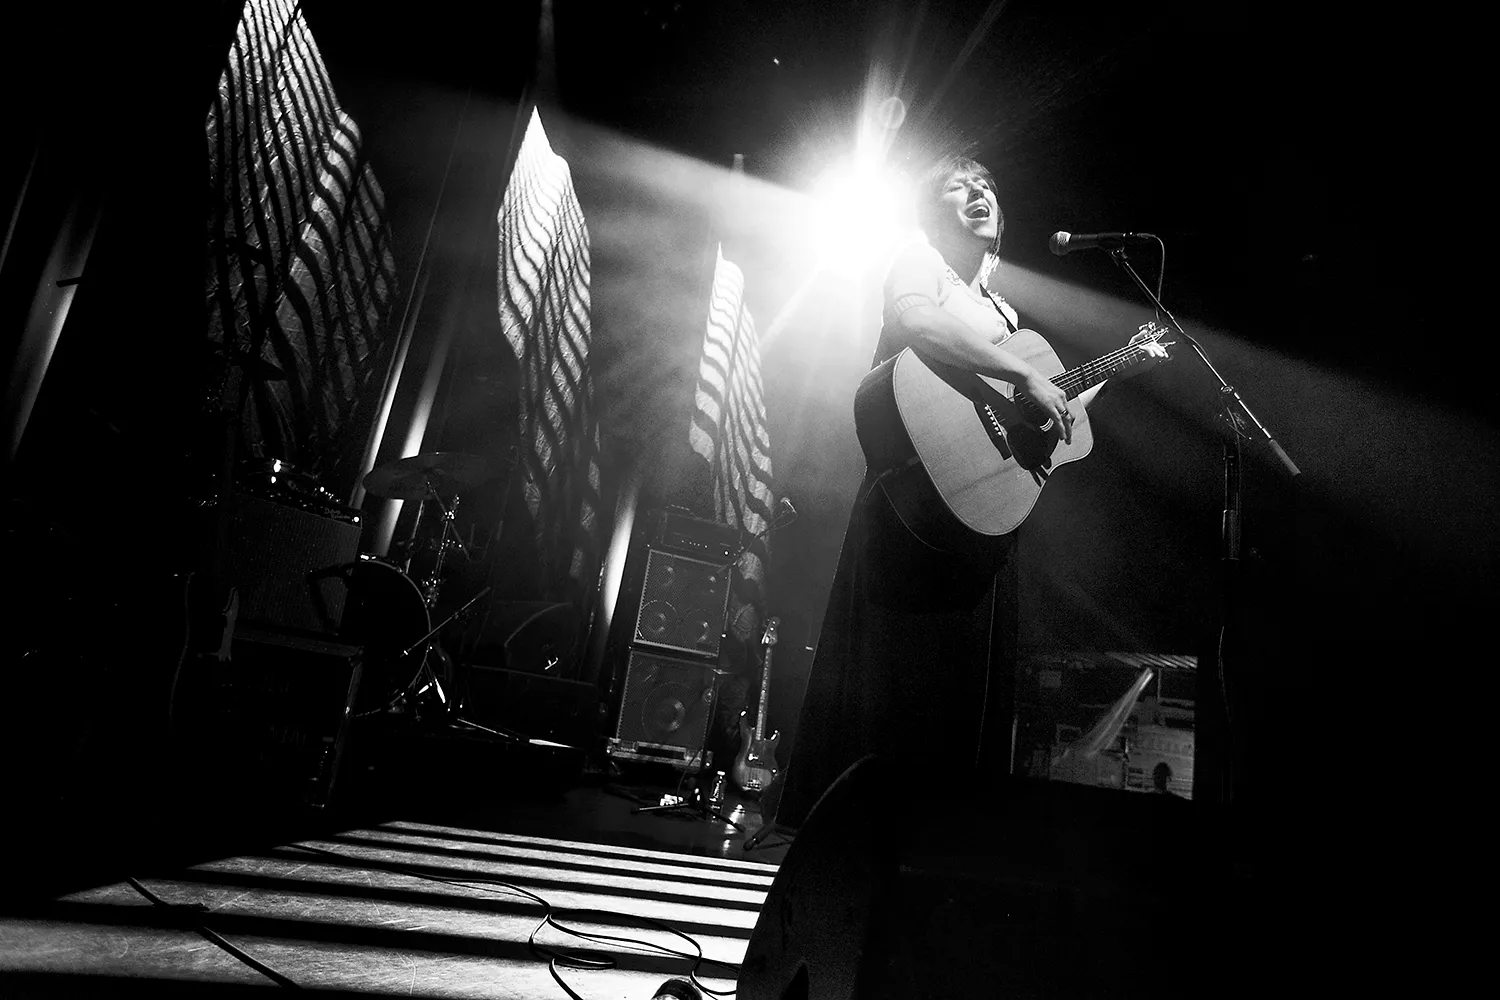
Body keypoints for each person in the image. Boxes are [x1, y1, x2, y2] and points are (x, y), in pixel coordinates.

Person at [763, 154, 1112, 833]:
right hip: (913, 503)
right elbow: (916, 319)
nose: (978, 191)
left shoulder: (1005, 313)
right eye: (959, 185)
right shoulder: (921, 259)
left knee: (958, 693)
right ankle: (847, 836)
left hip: (977, 516)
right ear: (933, 210)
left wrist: (1108, 373)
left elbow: (1043, 414)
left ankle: (934, 838)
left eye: (987, 186)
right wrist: (1024, 375)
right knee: (892, 678)